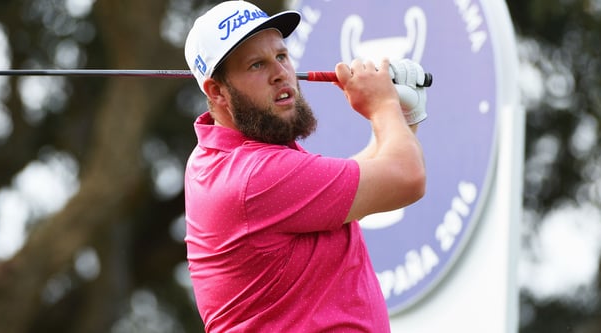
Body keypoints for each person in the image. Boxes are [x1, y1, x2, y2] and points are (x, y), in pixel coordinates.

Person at [182, 1, 428, 332]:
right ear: (217, 91)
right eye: (257, 65)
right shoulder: (254, 175)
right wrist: (382, 105)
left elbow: (368, 181)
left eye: (281, 56)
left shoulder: (228, 158)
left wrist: (402, 117)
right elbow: (406, 178)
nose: (280, 73)